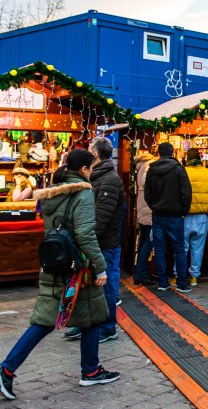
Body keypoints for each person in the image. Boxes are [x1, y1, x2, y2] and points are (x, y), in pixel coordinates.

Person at [0, 149, 119, 401]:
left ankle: (90, 370)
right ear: (85, 170)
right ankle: (7, 369)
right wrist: (100, 267)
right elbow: (86, 234)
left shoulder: (53, 192)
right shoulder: (83, 192)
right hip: (78, 268)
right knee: (76, 318)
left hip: (56, 263)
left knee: (79, 318)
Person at [64, 137, 125, 344]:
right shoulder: (95, 176)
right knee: (90, 286)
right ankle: (87, 325)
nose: (89, 151)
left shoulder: (109, 179)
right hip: (94, 242)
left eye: (90, 149)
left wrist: (85, 240)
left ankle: (108, 328)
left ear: (96, 154)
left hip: (105, 245)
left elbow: (100, 218)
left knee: (105, 286)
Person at [144, 142, 193, 293]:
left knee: (159, 250)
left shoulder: (152, 170)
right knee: (179, 249)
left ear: (159, 153)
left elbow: (147, 194)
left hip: (158, 215)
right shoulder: (179, 170)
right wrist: (183, 210)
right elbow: (186, 192)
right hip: (175, 215)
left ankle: (162, 282)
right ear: (172, 152)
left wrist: (154, 206)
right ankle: (182, 283)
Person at [183, 148, 208, 286]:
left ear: (187, 158)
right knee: (198, 248)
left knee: (182, 247)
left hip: (185, 215)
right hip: (202, 216)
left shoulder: (183, 171)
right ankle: (194, 276)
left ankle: (179, 275)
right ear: (200, 158)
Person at [133, 149, 156, 286]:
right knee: (149, 241)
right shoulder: (150, 165)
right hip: (149, 207)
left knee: (144, 241)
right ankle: (140, 274)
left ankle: (143, 273)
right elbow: (147, 182)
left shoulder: (142, 165)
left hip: (143, 205)